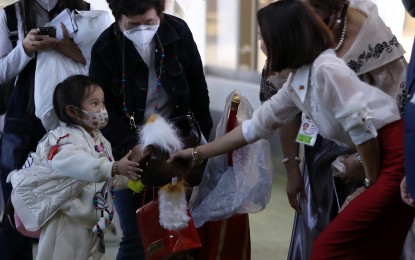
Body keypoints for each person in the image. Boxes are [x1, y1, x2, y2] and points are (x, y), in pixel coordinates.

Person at [170, 0, 415, 258]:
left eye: (263, 37)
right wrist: (197, 153)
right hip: (380, 155)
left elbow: (364, 134)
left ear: (284, 39)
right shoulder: (299, 79)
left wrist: (367, 185)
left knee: (328, 248)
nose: (260, 45)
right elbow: (255, 127)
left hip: (394, 158)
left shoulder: (326, 71)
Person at [260, 0, 409, 258]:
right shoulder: (292, 29)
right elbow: (284, 109)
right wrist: (293, 167)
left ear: (335, 10)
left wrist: (363, 165)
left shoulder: (368, 32)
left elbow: (397, 110)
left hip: (373, 152)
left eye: (311, 13)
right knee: (317, 226)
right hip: (318, 154)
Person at [89, 0, 213, 258]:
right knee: (136, 236)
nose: (143, 31)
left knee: (183, 233)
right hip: (131, 150)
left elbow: (198, 90)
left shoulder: (178, 33)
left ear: (161, 12)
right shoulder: (105, 48)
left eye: (149, 23)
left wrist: (206, 145)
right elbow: (103, 112)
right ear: (117, 18)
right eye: (132, 25)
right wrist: (131, 147)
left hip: (180, 142)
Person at [8, 75, 141, 260]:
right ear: (73, 111)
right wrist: (114, 167)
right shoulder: (63, 140)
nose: (102, 109)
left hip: (93, 223)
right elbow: (81, 165)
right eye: (94, 104)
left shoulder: (100, 139)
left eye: (103, 103)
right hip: (68, 221)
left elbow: (107, 176)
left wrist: (133, 176)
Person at [0, 1, 90, 259]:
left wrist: (67, 47)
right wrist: (25, 49)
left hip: (69, 123)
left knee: (69, 212)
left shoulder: (82, 9)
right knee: (16, 208)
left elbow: (98, 66)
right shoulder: (11, 14)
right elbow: (1, 71)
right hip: (22, 121)